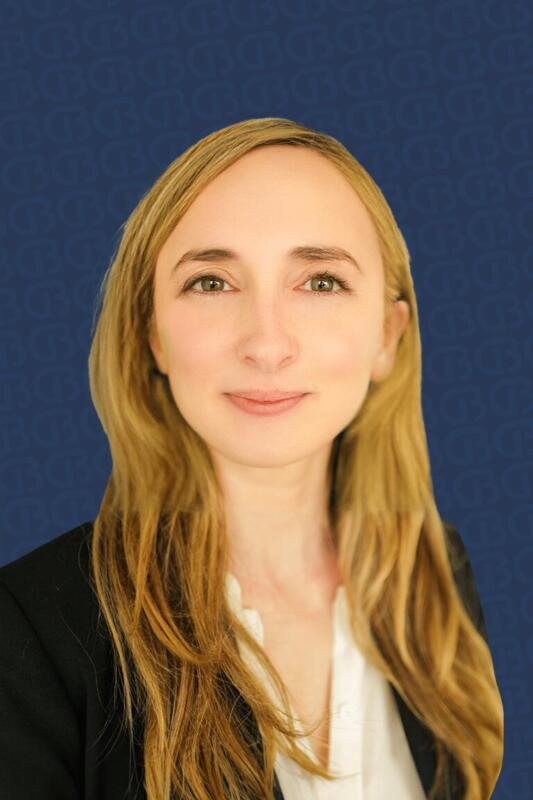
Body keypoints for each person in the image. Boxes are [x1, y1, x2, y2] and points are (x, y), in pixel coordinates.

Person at [0, 117, 503, 800]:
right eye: (211, 282)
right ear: (152, 333)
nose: (266, 345)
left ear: (388, 336)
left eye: (320, 282)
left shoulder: (439, 577)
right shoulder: (32, 631)